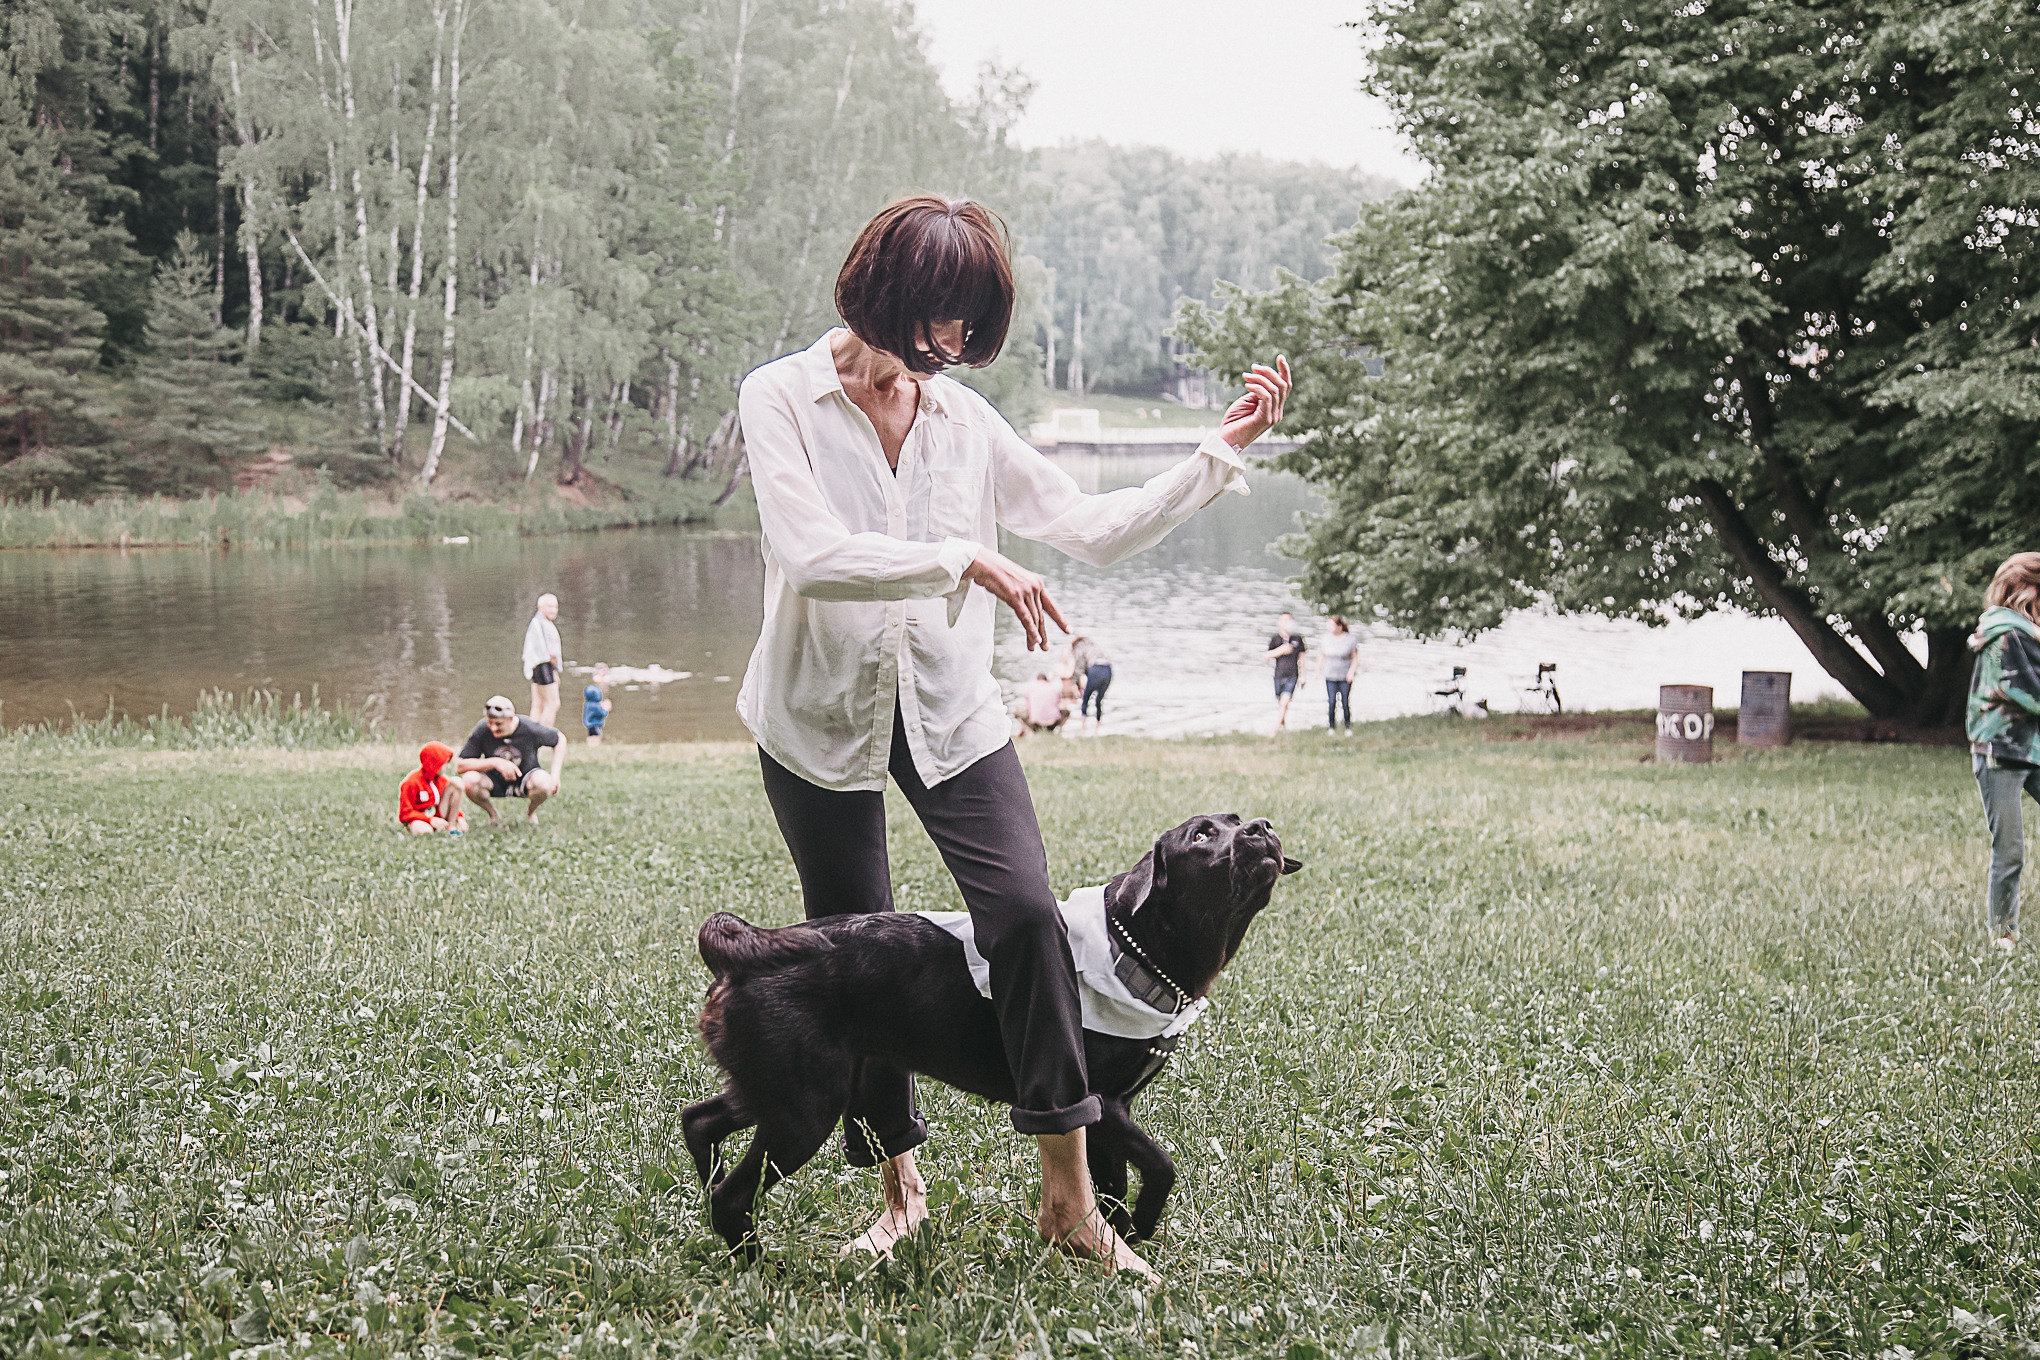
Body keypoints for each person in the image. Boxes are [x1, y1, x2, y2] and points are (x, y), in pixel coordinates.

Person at [735, 193, 1290, 1277]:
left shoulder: (964, 421)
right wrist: (964, 558)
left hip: (950, 709)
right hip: (817, 712)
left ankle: (1068, 1201)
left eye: (969, 326)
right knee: (857, 947)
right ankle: (901, 1190)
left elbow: (1086, 524)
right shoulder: (780, 396)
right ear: (886, 291)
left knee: (1029, 917)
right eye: (942, 318)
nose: (952, 345)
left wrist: (1210, 457)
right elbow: (810, 554)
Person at [1968, 552, 2040, 951]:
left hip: (2030, 748)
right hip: (2000, 751)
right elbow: (2028, 691)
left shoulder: (2027, 633)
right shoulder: (2008, 635)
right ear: (2028, 591)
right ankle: (2002, 935)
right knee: (2010, 850)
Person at [456, 695, 565, 825]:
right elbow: (460, 765)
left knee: (544, 782)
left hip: (526, 779)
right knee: (469, 780)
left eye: (498, 724)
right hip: (493, 781)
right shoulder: (482, 729)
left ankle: (530, 813)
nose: (493, 728)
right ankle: (493, 815)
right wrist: (495, 762)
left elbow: (560, 739)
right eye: (490, 723)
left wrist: (555, 775)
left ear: (511, 718)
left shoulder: (529, 727)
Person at [397, 741, 460, 834]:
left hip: (438, 816)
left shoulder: (442, 780)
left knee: (456, 782)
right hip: (418, 819)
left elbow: (450, 802)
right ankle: (426, 829)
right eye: (446, 763)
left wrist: (460, 817)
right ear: (435, 763)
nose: (448, 766)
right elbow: (405, 813)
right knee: (425, 831)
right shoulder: (411, 782)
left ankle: (451, 827)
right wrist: (429, 819)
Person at [523, 594, 563, 726]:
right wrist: (552, 662)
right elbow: (541, 648)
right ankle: (545, 734)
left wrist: (555, 671)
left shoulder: (545, 623)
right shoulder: (538, 623)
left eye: (555, 607)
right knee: (553, 703)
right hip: (542, 665)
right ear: (540, 607)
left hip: (542, 666)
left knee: (539, 704)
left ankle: (532, 733)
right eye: (550, 607)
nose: (553, 610)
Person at [1264, 612, 1306, 731]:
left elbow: (1303, 658)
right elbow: (1267, 655)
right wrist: (1281, 650)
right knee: (1281, 704)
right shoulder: (1275, 639)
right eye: (1284, 620)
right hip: (1278, 675)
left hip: (1292, 675)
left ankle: (1275, 730)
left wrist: (1304, 676)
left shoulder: (1297, 639)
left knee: (1284, 703)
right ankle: (1284, 728)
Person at [1320, 615, 1358, 734]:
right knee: (1331, 701)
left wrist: (1351, 672)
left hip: (1345, 676)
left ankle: (1347, 727)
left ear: (1339, 627)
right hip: (1330, 675)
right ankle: (1331, 727)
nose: (1329, 627)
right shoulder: (1325, 639)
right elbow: (1321, 655)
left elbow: (1355, 658)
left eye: (1331, 625)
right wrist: (1317, 670)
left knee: (1345, 702)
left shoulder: (1350, 640)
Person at [1072, 635, 1112, 734]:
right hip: (1108, 669)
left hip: (1095, 668)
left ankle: (1083, 728)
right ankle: (1097, 729)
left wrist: (1076, 683)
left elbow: (1079, 667)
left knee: (1086, 698)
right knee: (1099, 700)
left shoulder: (1079, 647)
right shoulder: (1095, 645)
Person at [1020, 671, 1068, 735]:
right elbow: (1059, 704)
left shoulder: (1031, 688)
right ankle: (1060, 731)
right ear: (1046, 680)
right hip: (1053, 722)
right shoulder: (1054, 688)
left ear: (1037, 680)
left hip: (1036, 723)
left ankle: (1029, 733)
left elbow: (1027, 707)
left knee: (1018, 713)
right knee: (1066, 712)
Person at [584, 663, 612, 746]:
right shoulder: (596, 706)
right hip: (596, 724)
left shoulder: (587, 704)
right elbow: (602, 714)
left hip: (589, 725)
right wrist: (606, 709)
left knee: (590, 736)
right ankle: (596, 746)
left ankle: (589, 745)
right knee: (597, 736)